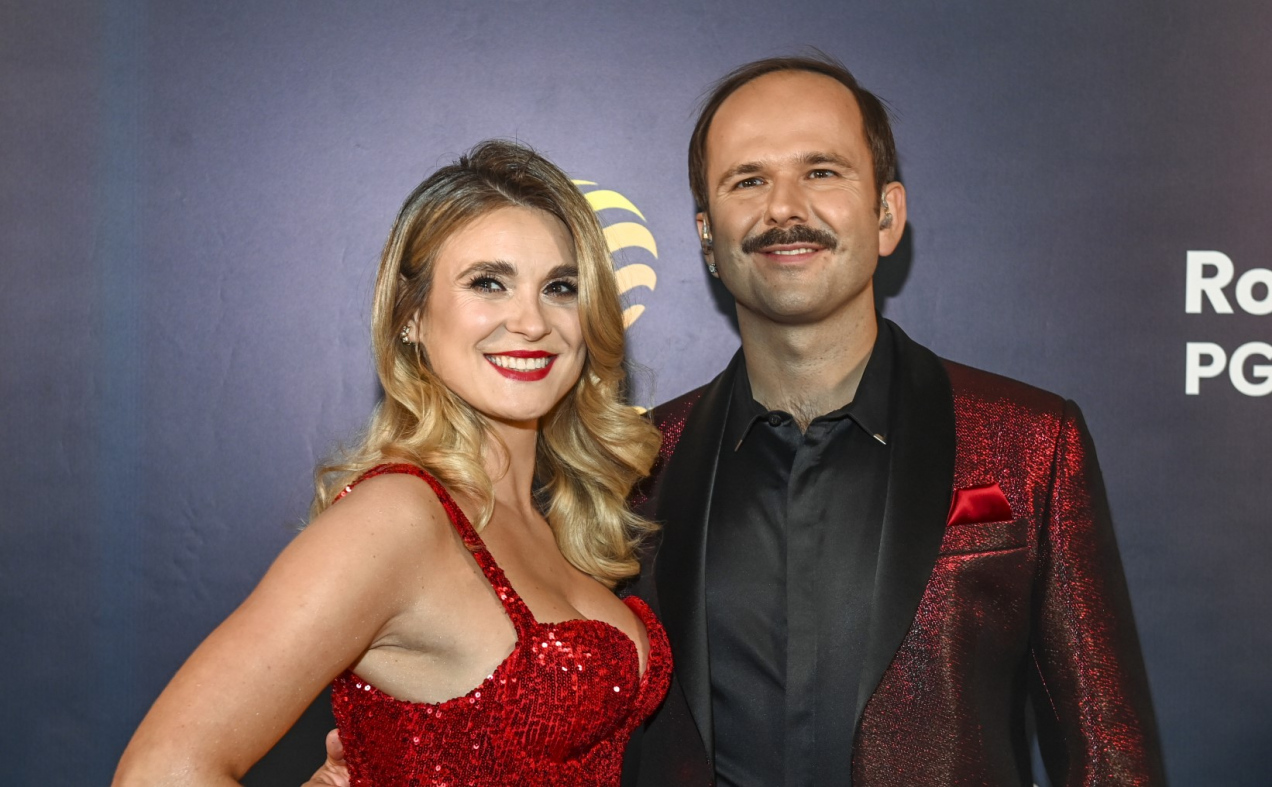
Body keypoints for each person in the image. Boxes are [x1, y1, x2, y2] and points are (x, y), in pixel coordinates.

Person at [309, 54, 1166, 787]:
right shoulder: (623, 472)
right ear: (707, 238)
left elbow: (1111, 757)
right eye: (747, 180)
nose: (783, 207)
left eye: (822, 171)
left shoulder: (1029, 442)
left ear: (887, 215)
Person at [113, 140, 671, 786]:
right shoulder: (398, 516)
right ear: (412, 318)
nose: (531, 320)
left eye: (561, 288)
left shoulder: (558, 525)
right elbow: (159, 771)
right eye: (488, 283)